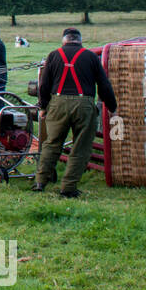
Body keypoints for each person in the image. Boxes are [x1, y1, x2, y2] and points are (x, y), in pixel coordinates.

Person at [33, 28, 118, 197]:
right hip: (83, 103)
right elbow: (104, 85)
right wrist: (112, 107)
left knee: (52, 143)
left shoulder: (53, 55)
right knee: (81, 146)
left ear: (64, 41)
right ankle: (68, 187)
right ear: (80, 41)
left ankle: (40, 182)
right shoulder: (91, 57)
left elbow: (43, 85)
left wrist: (43, 107)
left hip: (57, 103)